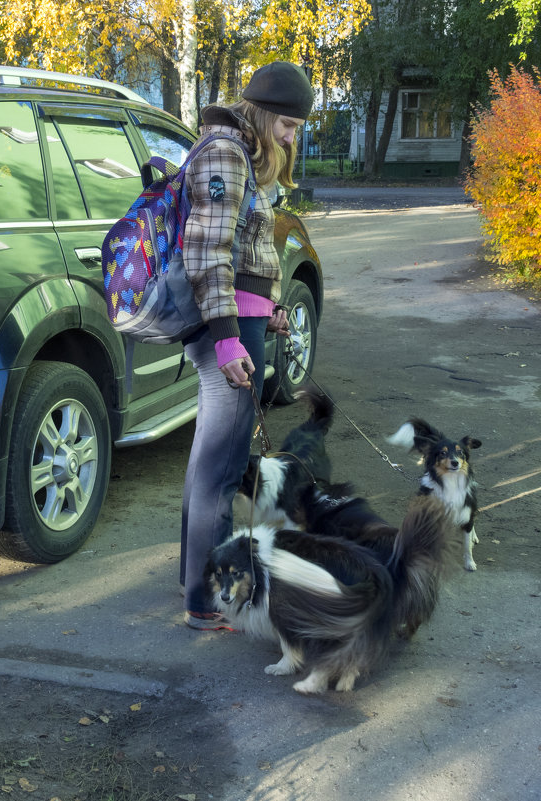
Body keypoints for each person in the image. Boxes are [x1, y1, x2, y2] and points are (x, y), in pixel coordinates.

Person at [179, 61, 314, 629]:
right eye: (286, 124)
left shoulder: (244, 158)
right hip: (226, 331)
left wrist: (269, 310)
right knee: (222, 465)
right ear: (260, 113)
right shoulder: (224, 154)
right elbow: (207, 255)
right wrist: (231, 340)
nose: (291, 137)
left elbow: (245, 256)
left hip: (245, 320)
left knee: (216, 460)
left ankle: (195, 584)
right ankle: (206, 599)